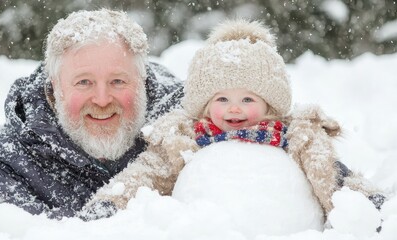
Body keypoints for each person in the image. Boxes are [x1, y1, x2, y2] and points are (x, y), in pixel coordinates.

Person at [85, 19, 386, 229]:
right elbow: (148, 173)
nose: (234, 110)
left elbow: (333, 177)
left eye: (247, 99)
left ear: (270, 103)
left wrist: (364, 203)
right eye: (221, 99)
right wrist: (113, 201)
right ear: (204, 104)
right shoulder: (186, 138)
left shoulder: (293, 136)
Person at [0, 9, 183, 224]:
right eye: (84, 82)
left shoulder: (191, 120)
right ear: (55, 86)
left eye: (117, 81)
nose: (102, 100)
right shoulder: (3, 161)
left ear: (142, 81)